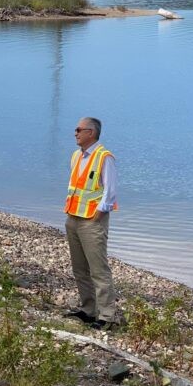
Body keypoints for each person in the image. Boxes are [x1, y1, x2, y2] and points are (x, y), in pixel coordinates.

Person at [64, 116, 118, 330]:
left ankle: (107, 316)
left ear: (91, 133)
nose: (75, 133)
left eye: (79, 129)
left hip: (92, 221)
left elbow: (110, 191)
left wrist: (99, 213)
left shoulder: (104, 157)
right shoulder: (77, 156)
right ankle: (88, 310)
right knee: (79, 269)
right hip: (73, 217)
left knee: (98, 270)